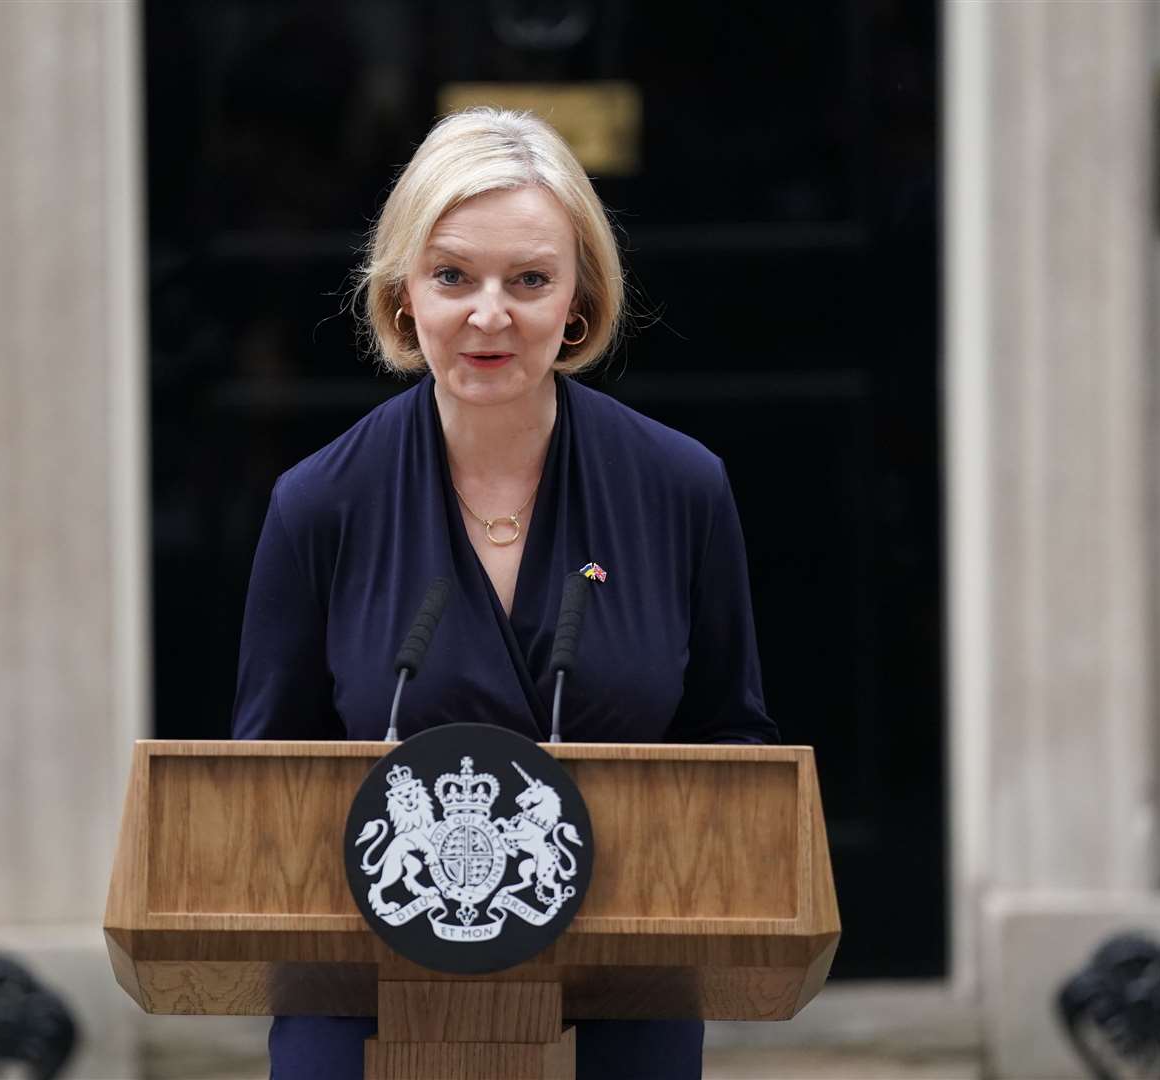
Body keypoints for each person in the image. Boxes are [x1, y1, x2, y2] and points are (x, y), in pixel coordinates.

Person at [233, 106, 779, 1079]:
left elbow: (732, 752)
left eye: (529, 279)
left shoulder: (681, 488)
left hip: (625, 979)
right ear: (405, 296)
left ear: (579, 300)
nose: (490, 315)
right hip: (366, 985)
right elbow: (267, 787)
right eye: (453, 277)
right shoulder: (319, 504)